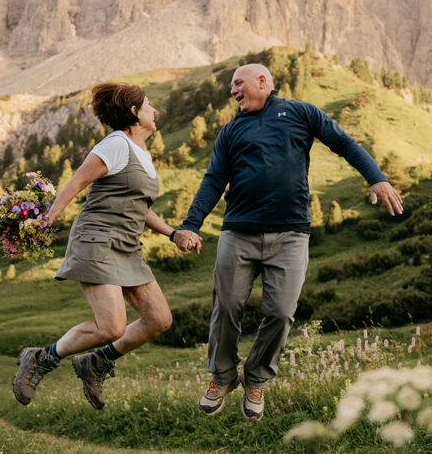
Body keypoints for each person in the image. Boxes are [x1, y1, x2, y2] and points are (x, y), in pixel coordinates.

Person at [172, 63, 403, 421]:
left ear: (263, 81)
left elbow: (343, 143)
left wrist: (376, 178)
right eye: (232, 87)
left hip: (291, 235)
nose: (232, 92)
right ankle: (222, 376)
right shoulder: (231, 131)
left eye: (238, 84)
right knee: (227, 305)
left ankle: (256, 377)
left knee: (281, 313)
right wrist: (191, 224)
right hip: (238, 232)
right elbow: (214, 179)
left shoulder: (299, 112)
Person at [12, 82, 201, 410]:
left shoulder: (143, 154)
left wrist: (174, 234)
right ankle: (41, 357)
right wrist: (48, 218)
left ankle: (95, 363)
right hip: (97, 240)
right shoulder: (115, 145)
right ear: (134, 112)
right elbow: (77, 181)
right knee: (112, 326)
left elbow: (141, 209)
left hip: (127, 245)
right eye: (149, 105)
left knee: (159, 319)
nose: (154, 110)